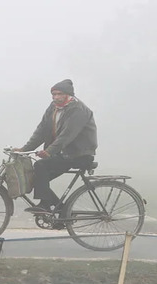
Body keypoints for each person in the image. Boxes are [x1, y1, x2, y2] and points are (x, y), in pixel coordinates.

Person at [16, 79, 97, 213]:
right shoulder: (53, 107)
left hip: (79, 153)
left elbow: (67, 134)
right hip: (62, 153)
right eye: (53, 94)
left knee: (40, 166)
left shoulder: (78, 110)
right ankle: (61, 210)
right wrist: (25, 149)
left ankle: (46, 205)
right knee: (36, 178)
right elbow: (41, 130)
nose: (56, 97)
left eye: (59, 94)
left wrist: (49, 151)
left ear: (68, 94)